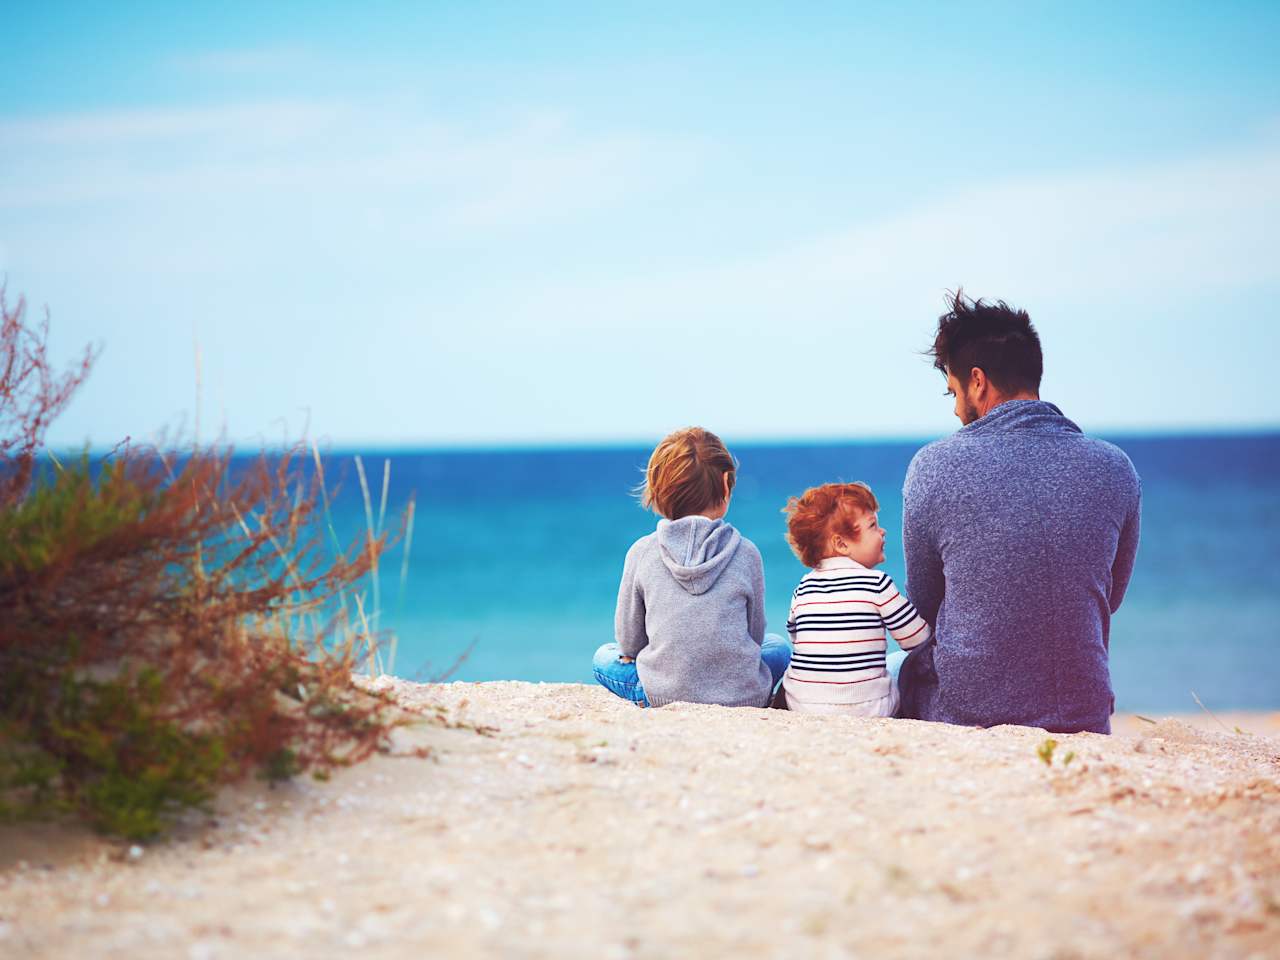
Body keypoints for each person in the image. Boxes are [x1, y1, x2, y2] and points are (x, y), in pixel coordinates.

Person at [898, 291, 1141, 734]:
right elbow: (1110, 595)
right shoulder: (1115, 467)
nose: (955, 409)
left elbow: (925, 607)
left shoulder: (934, 467)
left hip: (969, 715)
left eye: (953, 392)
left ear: (977, 381)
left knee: (895, 664)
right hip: (1084, 714)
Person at [592, 427, 791, 708]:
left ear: (657, 490)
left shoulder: (642, 552)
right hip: (743, 694)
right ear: (725, 483)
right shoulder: (746, 552)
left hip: (662, 694)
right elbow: (755, 637)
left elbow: (629, 643)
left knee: (604, 656)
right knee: (778, 648)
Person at [778, 482, 932, 716]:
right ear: (841, 544)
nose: (883, 532)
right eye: (872, 525)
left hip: (802, 705)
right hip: (871, 708)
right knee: (899, 662)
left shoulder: (804, 586)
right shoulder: (877, 583)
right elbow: (918, 641)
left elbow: (796, 637)